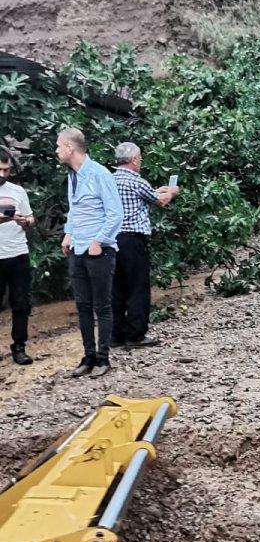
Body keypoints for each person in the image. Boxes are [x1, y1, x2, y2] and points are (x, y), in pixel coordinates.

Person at [58, 127, 123, 379]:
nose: (56, 151)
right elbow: (75, 210)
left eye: (58, 146)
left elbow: (115, 213)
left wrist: (100, 240)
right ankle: (88, 356)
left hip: (99, 251)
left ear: (70, 148)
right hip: (78, 249)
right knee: (83, 305)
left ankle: (103, 358)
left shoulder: (100, 174)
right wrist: (69, 232)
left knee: (102, 306)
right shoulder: (73, 175)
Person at [112, 142, 179, 348]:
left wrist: (154, 191)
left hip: (112, 239)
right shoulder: (136, 180)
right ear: (133, 160)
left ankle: (115, 334)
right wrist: (173, 192)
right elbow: (161, 201)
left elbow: (147, 194)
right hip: (133, 240)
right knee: (137, 287)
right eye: (139, 158)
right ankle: (136, 334)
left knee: (116, 288)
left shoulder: (110, 179)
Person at [0, 147, 35, 365]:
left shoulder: (18, 191)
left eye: (7, 170)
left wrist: (25, 221)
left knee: (21, 303)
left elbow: (31, 218)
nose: (3, 174)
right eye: (0, 169)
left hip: (18, 253)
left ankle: (19, 346)